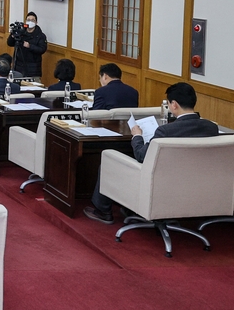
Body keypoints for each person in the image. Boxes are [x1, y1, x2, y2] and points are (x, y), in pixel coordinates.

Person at [85, 82, 219, 224]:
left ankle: (103, 211)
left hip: (161, 183)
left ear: (174, 105)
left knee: (109, 160)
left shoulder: (166, 131)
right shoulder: (211, 128)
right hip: (197, 184)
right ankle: (131, 209)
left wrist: (137, 136)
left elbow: (142, 156)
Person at [6, 11, 47, 78]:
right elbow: (9, 43)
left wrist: (30, 46)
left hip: (33, 68)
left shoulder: (40, 35)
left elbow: (42, 49)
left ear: (36, 22)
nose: (30, 22)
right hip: (18, 66)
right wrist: (12, 36)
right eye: (28, 20)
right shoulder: (21, 32)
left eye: (32, 20)